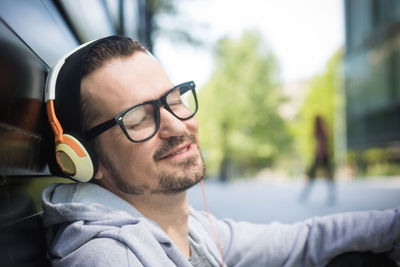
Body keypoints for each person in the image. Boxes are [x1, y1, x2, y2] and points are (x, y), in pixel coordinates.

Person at [41, 35, 400, 267]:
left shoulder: (193, 230)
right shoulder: (107, 257)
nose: (178, 126)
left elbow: (305, 240)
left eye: (175, 100)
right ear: (84, 157)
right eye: (137, 119)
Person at [300, 115, 335, 204]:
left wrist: (320, 155)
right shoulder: (322, 128)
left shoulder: (320, 129)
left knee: (313, 175)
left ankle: (305, 193)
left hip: (321, 155)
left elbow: (321, 143)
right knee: (325, 175)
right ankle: (331, 195)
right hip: (322, 155)